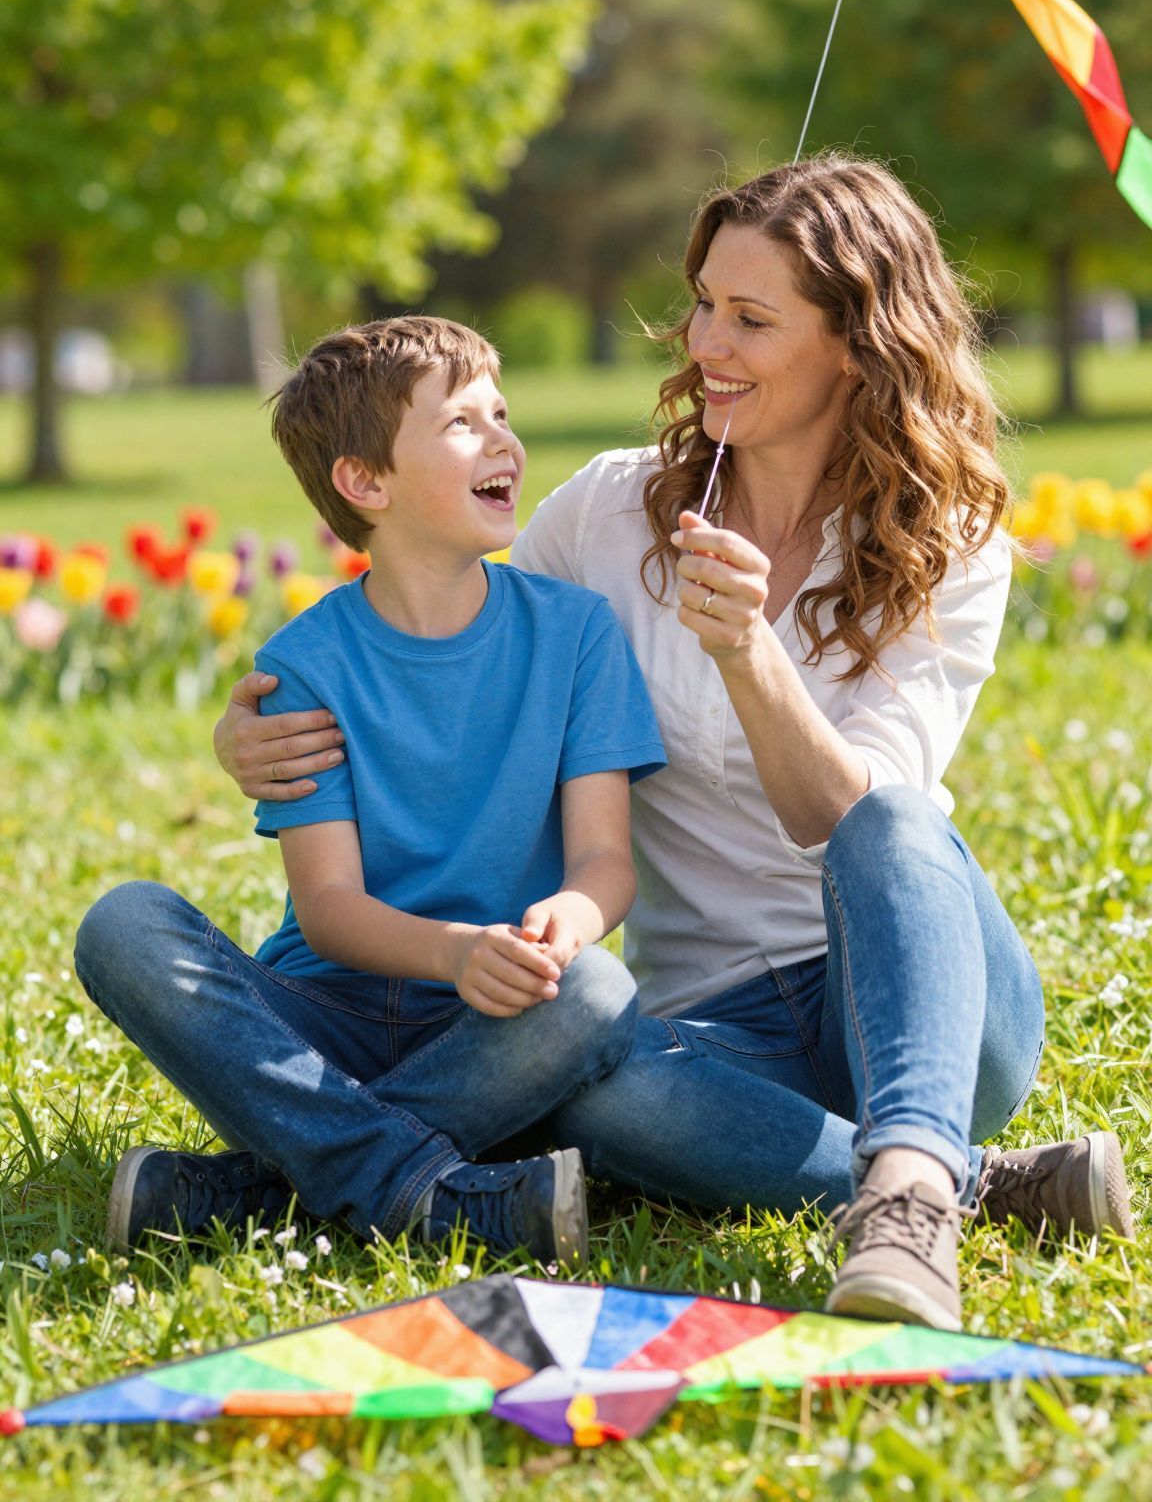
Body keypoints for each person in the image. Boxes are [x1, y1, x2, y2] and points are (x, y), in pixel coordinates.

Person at [217, 159, 1135, 1331]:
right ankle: (978, 1184)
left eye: (753, 319)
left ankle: (908, 1184)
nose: (707, 340)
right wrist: (262, 725)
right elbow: (444, 637)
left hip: (921, 997)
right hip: (710, 1028)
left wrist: (749, 649)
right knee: (583, 1087)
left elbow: (846, 817)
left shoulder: (949, 541)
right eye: (705, 301)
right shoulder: (608, 512)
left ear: (858, 343)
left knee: (898, 819)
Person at [75, 317, 666, 1266]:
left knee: (597, 987)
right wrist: (455, 948)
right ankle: (424, 1192)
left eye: (501, 413)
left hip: (493, 1023)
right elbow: (331, 911)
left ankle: (260, 1190)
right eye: (462, 422)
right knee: (123, 925)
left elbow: (603, 860)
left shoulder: (577, 635)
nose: (504, 438)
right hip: (323, 1021)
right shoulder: (305, 664)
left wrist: (569, 914)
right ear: (366, 482)